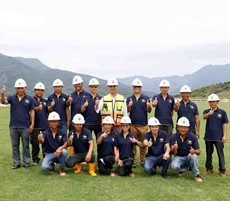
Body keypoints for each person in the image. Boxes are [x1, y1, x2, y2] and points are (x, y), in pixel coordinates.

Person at [1, 79, 35, 169]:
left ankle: (27, 163)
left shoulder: (29, 99)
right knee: (15, 146)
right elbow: (3, 102)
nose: (20, 89)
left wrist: (32, 125)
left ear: (25, 88)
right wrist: (2, 94)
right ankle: (16, 163)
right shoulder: (12, 98)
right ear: (15, 89)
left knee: (26, 145)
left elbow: (32, 112)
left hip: (25, 126)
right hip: (13, 125)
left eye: (22, 88)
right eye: (18, 88)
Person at [127, 78, 151, 167]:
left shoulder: (146, 98)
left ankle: (143, 161)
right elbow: (128, 111)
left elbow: (149, 111)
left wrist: (148, 106)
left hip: (143, 125)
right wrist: (129, 106)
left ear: (141, 87)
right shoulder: (129, 98)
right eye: (135, 86)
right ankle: (133, 161)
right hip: (133, 125)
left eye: (138, 86)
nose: (137, 88)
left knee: (143, 144)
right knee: (133, 144)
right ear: (133, 88)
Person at [170, 117, 202, 182]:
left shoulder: (192, 136)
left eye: (185, 127)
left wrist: (194, 151)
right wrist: (174, 149)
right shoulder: (173, 137)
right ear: (177, 127)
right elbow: (172, 153)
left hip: (189, 157)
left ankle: (196, 175)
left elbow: (199, 152)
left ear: (188, 128)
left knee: (193, 156)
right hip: (178, 157)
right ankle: (182, 169)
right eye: (181, 127)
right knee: (173, 166)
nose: (183, 129)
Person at [203, 94, 228, 177]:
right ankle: (209, 168)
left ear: (217, 102)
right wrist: (209, 114)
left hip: (218, 137)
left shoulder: (222, 112)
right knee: (208, 153)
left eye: (213, 101)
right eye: (210, 102)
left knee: (220, 154)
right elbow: (204, 117)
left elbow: (224, 124)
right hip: (208, 137)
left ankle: (222, 170)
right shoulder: (206, 111)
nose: (212, 103)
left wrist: (224, 136)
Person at [38, 112, 68, 176]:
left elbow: (66, 143)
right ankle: (51, 166)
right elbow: (42, 140)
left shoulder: (62, 132)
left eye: (56, 121)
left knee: (64, 152)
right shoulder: (45, 133)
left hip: (60, 153)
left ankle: (61, 169)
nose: (54, 123)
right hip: (50, 154)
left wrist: (60, 148)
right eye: (52, 121)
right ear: (49, 122)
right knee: (44, 167)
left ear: (58, 122)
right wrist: (40, 139)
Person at [31, 82, 49, 165]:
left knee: (45, 144)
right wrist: (37, 108)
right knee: (35, 144)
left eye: (42, 90)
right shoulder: (31, 100)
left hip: (44, 126)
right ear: (35, 90)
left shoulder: (45, 101)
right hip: (35, 126)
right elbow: (29, 111)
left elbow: (48, 112)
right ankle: (35, 159)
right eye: (38, 90)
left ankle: (46, 158)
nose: (40, 92)